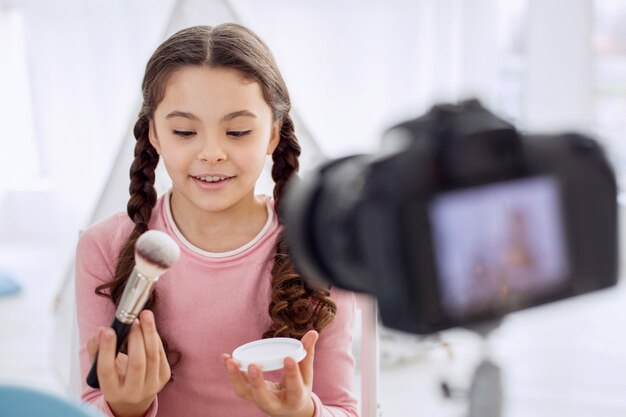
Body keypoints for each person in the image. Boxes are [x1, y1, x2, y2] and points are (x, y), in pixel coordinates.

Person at [75, 24, 358, 417]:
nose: (212, 152)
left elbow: (344, 408)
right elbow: (89, 402)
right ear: (154, 134)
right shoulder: (104, 247)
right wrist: (126, 406)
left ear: (273, 136)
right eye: (185, 131)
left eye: (238, 131)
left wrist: (304, 412)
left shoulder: (320, 246)